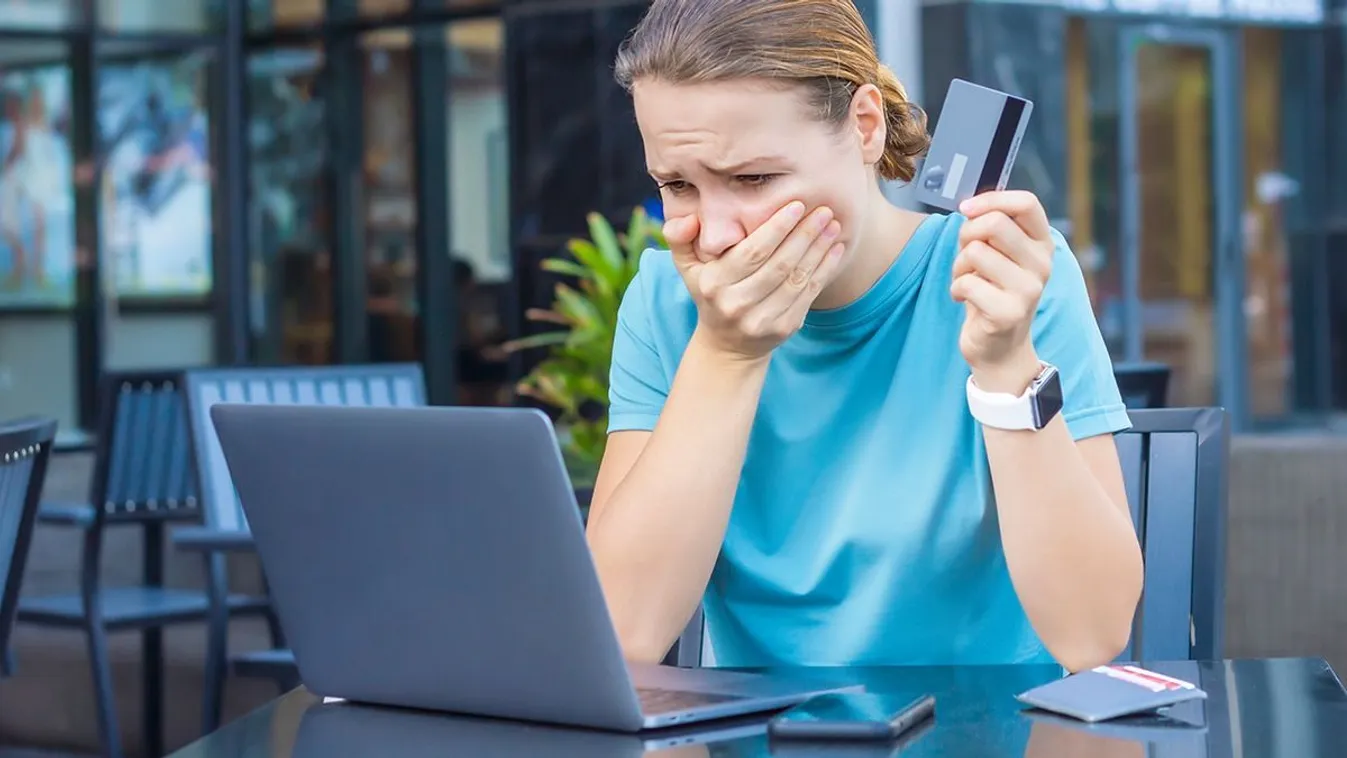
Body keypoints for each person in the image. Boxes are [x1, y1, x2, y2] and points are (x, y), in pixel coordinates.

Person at [584, 0, 1143, 673]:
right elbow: (619, 634)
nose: (720, 232)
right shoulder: (667, 301)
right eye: (677, 185)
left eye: (753, 178)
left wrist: (1004, 367)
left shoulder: (1004, 279)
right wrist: (727, 354)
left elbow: (1092, 635)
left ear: (865, 126)